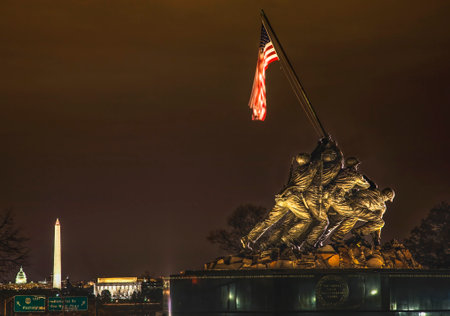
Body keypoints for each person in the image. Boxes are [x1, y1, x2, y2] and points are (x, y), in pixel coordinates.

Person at [240, 152, 320, 250]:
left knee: (269, 221)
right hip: (292, 198)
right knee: (308, 219)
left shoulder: (297, 170)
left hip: (283, 197)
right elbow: (318, 159)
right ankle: (289, 237)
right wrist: (324, 144)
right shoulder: (310, 169)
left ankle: (249, 238)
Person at [316, 157, 371, 246]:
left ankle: (315, 242)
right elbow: (366, 186)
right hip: (336, 198)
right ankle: (337, 237)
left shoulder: (340, 171)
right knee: (353, 214)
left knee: (325, 220)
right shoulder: (355, 175)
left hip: (325, 195)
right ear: (355, 166)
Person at [329, 187, 395, 246]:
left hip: (356, 208)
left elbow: (377, 221)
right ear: (387, 197)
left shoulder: (381, 204)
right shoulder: (375, 194)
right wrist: (377, 239)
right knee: (380, 222)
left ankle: (337, 237)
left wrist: (377, 238)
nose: (386, 199)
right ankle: (358, 232)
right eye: (387, 198)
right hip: (355, 207)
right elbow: (378, 222)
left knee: (353, 217)